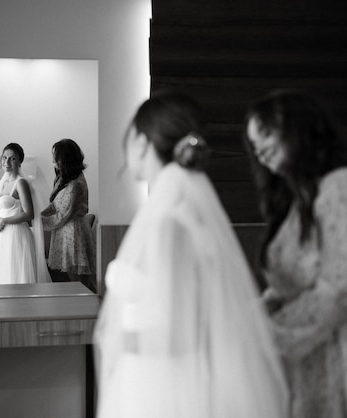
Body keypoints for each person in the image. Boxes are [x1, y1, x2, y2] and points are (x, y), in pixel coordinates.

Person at [94, 90, 289, 418]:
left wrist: (122, 340)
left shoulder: (169, 223)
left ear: (141, 141)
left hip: (157, 379)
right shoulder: (178, 213)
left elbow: (184, 327)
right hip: (156, 373)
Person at [244, 89, 347, 417]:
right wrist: (247, 316)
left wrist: (269, 332)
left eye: (265, 133)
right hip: (313, 357)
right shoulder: (299, 203)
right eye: (254, 144)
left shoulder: (346, 187)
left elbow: (337, 287)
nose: (259, 150)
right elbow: (286, 289)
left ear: (298, 127)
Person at [0, 143, 51, 285]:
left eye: (12, 158)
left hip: (16, 235)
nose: (6, 162)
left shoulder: (21, 183)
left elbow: (29, 214)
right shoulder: (2, 182)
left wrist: (3, 221)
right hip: (1, 237)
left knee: (15, 276)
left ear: (19, 161)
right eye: (4, 157)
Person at [41, 138, 97, 292]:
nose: (53, 160)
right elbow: (55, 205)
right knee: (73, 281)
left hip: (73, 233)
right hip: (64, 232)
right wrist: (38, 215)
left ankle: (93, 311)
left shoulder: (76, 184)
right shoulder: (63, 179)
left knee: (80, 282)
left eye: (56, 157)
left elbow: (63, 215)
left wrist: (39, 222)